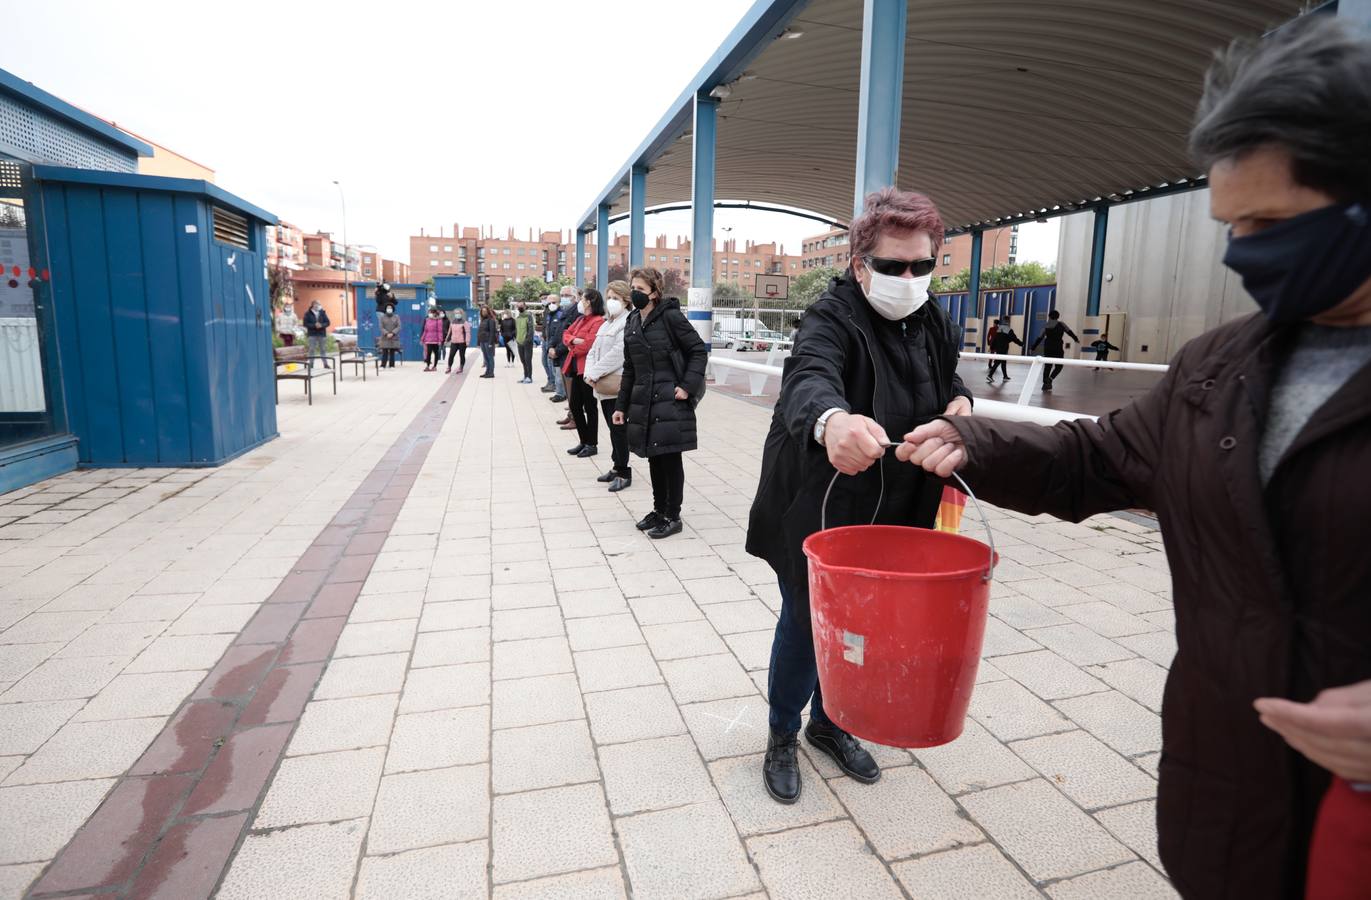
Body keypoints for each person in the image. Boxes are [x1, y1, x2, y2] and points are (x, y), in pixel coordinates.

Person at [898, 17, 1371, 899]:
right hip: (1230, 796)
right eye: (1230, 224)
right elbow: (1102, 460)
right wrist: (978, 439)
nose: (1242, 252)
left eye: (1271, 222)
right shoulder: (1216, 365)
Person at [744, 187, 973, 806]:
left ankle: (831, 720)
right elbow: (807, 378)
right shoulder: (832, 316)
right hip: (823, 500)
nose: (907, 278)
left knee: (868, 625)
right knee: (807, 619)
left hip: (901, 501)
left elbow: (949, 376)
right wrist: (830, 421)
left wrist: (962, 406)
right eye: (892, 266)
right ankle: (781, 733)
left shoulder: (934, 320)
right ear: (859, 265)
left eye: (921, 266)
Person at [613, 267, 707, 540]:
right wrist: (621, 406)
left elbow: (698, 350)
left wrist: (687, 387)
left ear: (655, 292)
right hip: (644, 399)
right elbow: (630, 368)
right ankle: (659, 510)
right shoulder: (632, 321)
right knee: (654, 456)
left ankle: (673, 515)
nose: (634, 293)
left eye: (640, 289)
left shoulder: (671, 317)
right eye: (633, 287)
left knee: (669, 457)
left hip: (670, 397)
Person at [586, 280, 632, 491]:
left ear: (626, 300)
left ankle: (623, 471)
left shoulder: (628, 322)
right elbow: (594, 350)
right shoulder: (607, 323)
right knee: (613, 430)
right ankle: (616, 466)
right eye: (609, 297)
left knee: (619, 430)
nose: (611, 301)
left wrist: (595, 372)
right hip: (603, 384)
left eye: (616, 298)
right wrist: (589, 373)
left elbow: (618, 354)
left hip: (616, 384)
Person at [562, 289, 606, 458]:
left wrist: (572, 344)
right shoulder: (580, 319)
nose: (580, 301)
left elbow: (589, 345)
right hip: (575, 367)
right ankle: (583, 440)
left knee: (590, 406)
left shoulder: (598, 321)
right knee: (574, 405)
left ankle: (592, 443)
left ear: (590, 301)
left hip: (587, 369)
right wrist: (573, 340)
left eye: (582, 298)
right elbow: (566, 334)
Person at [1030, 309, 1078, 390]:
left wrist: (1033, 347)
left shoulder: (1046, 325)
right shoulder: (1061, 324)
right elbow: (1069, 332)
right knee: (1059, 366)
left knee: (1047, 366)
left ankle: (1045, 384)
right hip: (1058, 347)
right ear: (1058, 317)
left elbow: (1040, 337)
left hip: (1048, 347)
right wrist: (1075, 339)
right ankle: (1050, 379)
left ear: (1049, 316)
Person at [547, 290, 577, 403]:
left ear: (574, 297)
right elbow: (556, 333)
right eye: (562, 295)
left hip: (566, 353)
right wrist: (550, 346)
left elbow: (569, 337)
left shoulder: (576, 314)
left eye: (567, 295)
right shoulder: (563, 313)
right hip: (557, 350)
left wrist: (557, 350)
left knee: (567, 380)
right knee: (558, 375)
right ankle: (570, 408)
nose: (564, 298)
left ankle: (565, 398)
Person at [987, 316, 1023, 382]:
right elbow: (1014, 339)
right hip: (1004, 348)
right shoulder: (1009, 330)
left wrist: (992, 347)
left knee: (1003, 362)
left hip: (998, 348)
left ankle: (1005, 376)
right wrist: (1021, 344)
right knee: (998, 362)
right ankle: (990, 375)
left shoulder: (999, 329)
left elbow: (995, 339)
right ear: (1008, 321)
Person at [540, 297, 560, 392]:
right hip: (546, 340)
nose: (551, 304)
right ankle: (550, 381)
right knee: (544, 362)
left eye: (553, 302)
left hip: (552, 342)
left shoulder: (559, 313)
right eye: (549, 303)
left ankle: (553, 384)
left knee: (551, 363)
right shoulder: (547, 312)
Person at [304, 300, 332, 368]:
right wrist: (314, 325)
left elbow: (328, 322)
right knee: (312, 349)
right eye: (316, 304)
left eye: (319, 304)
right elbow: (305, 324)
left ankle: (325, 364)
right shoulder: (308, 313)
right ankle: (311, 364)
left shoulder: (322, 312)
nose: (317, 305)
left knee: (323, 349)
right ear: (313, 305)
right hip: (312, 334)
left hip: (321, 334)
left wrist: (321, 325)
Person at [515, 302, 536, 383]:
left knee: (528, 360)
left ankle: (529, 377)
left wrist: (527, 340)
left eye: (521, 305)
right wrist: (517, 339)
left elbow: (531, 329)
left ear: (525, 306)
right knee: (523, 360)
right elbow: (517, 330)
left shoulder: (529, 316)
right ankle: (525, 376)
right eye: (518, 306)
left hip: (527, 342)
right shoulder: (518, 318)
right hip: (519, 342)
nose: (519, 307)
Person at [446, 309, 471, 374]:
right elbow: (450, 332)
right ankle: (449, 367)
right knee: (451, 355)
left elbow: (467, 332)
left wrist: (467, 341)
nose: (457, 314)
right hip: (454, 341)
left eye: (459, 313)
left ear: (461, 314)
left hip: (462, 342)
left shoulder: (465, 322)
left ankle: (461, 367)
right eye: (456, 313)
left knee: (462, 355)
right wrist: (447, 339)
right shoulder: (452, 322)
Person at [477, 305, 498, 378]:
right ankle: (487, 372)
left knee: (490, 357)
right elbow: (480, 331)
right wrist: (478, 342)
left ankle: (491, 373)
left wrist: (490, 343)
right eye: (482, 311)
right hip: (482, 341)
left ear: (488, 312)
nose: (484, 312)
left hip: (488, 341)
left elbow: (492, 332)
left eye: (485, 311)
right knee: (486, 358)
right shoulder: (482, 320)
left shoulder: (491, 320)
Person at [421, 306, 444, 371]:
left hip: (436, 340)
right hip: (428, 339)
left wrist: (440, 340)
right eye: (429, 312)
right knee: (428, 353)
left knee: (436, 353)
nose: (430, 314)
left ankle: (434, 366)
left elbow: (440, 331)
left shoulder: (439, 320)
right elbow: (425, 330)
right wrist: (422, 338)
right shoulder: (427, 320)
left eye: (431, 312)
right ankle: (427, 366)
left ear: (435, 313)